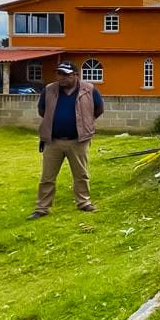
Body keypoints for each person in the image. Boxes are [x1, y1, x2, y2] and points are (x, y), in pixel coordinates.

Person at [28, 61, 105, 220]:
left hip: (78, 141)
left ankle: (84, 202)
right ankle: (42, 208)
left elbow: (98, 109)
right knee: (47, 177)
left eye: (66, 74)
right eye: (59, 74)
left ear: (75, 75)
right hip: (53, 141)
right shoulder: (49, 89)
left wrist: (85, 124)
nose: (61, 78)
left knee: (81, 174)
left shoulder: (88, 89)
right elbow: (42, 110)